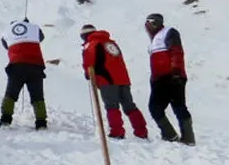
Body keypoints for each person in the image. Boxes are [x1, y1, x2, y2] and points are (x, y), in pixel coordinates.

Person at [80, 24, 148, 140]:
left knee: (112, 106)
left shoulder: (91, 44)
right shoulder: (110, 43)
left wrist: (88, 74)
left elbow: (89, 62)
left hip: (107, 79)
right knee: (129, 106)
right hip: (123, 79)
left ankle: (117, 131)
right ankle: (141, 131)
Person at [144, 13, 194, 145]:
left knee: (178, 106)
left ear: (156, 23)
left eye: (150, 23)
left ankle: (187, 138)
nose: (148, 27)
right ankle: (170, 135)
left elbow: (176, 51)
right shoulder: (155, 39)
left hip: (171, 76)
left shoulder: (169, 32)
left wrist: (176, 72)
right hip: (159, 79)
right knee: (155, 107)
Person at [0, 17, 48, 130]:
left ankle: (5, 121)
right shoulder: (34, 28)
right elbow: (41, 38)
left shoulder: (7, 30)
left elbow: (5, 45)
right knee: (37, 96)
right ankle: (41, 123)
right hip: (36, 66)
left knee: (11, 94)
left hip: (17, 66)